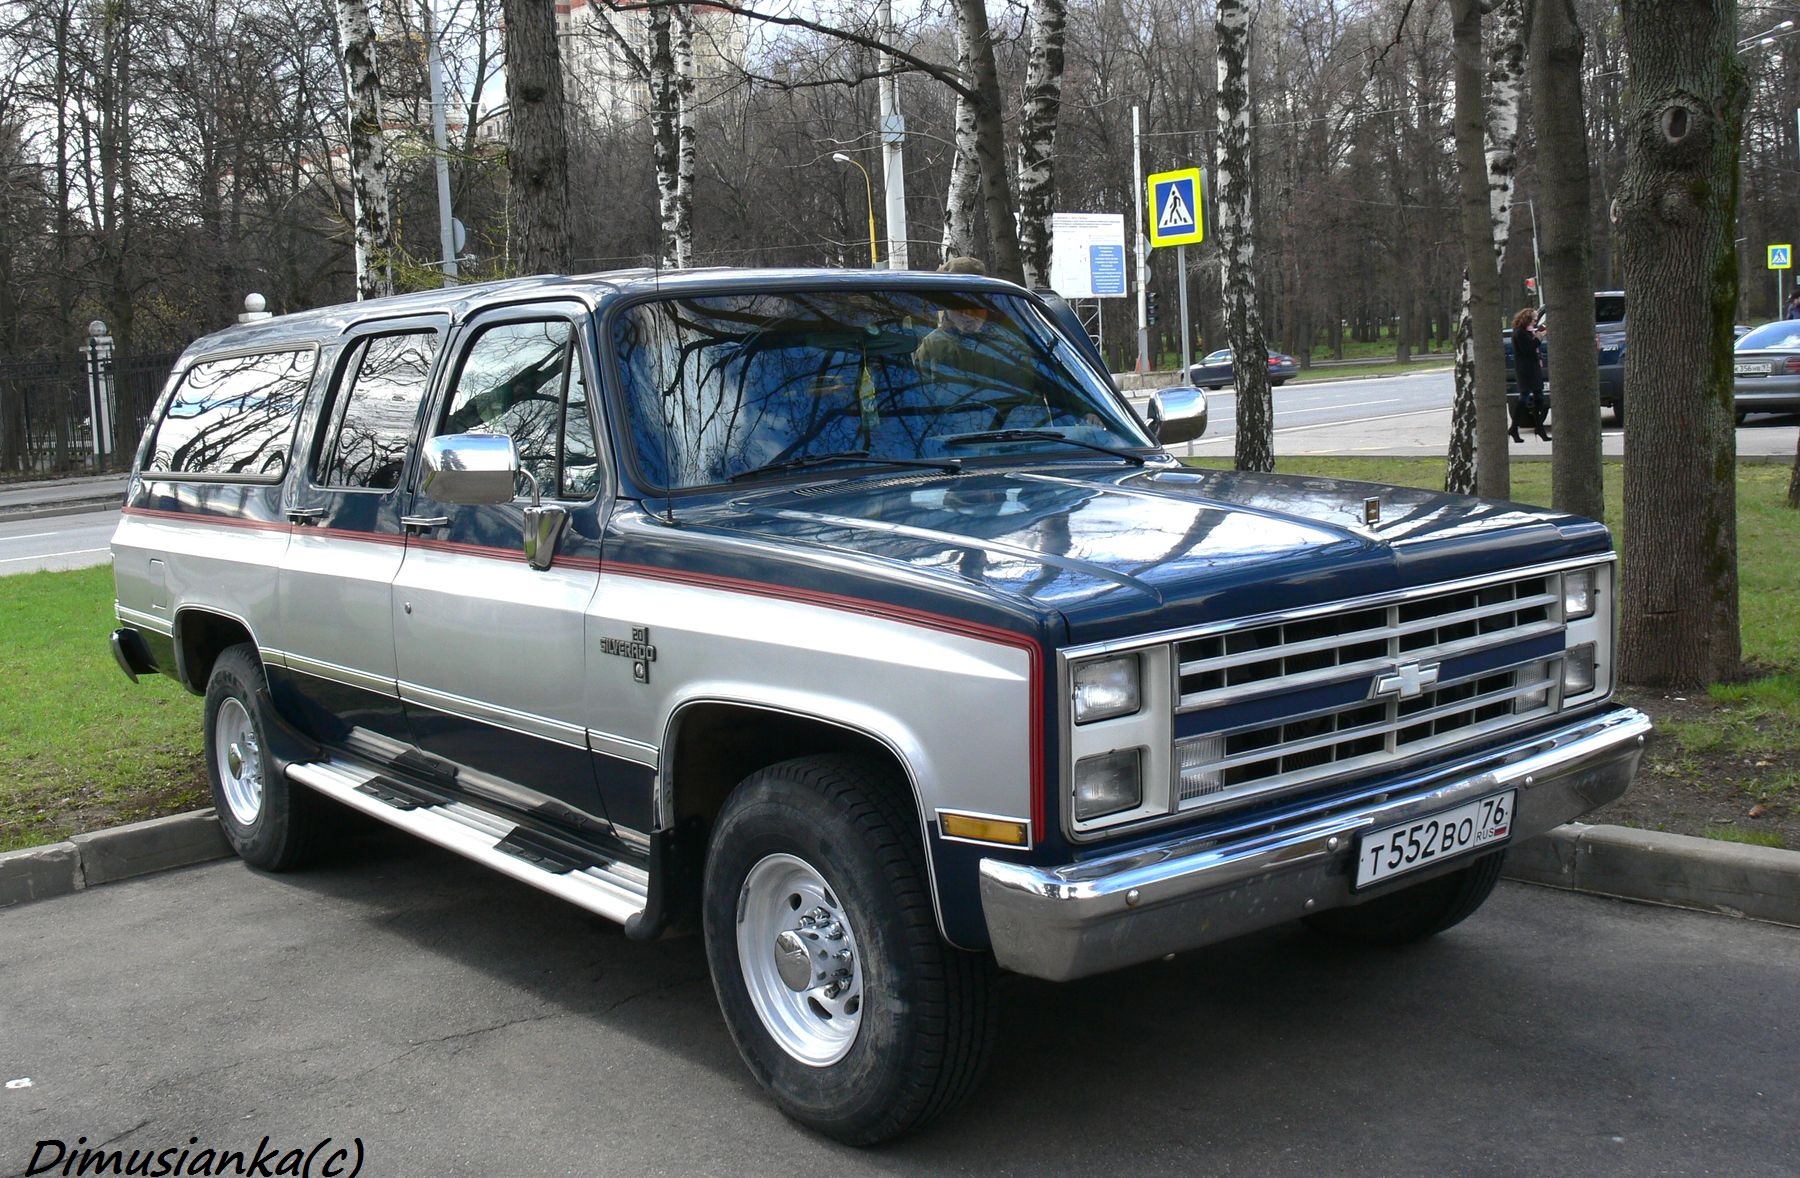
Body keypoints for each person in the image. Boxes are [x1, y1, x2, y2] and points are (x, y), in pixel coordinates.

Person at [1510, 306, 1550, 443]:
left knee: (1539, 397)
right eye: (1533, 319)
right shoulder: (1519, 333)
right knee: (1525, 398)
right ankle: (1514, 427)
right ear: (1526, 319)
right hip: (1525, 370)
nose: (1535, 322)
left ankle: (1539, 427)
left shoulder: (1527, 332)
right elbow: (1528, 349)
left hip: (1533, 368)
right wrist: (1539, 338)